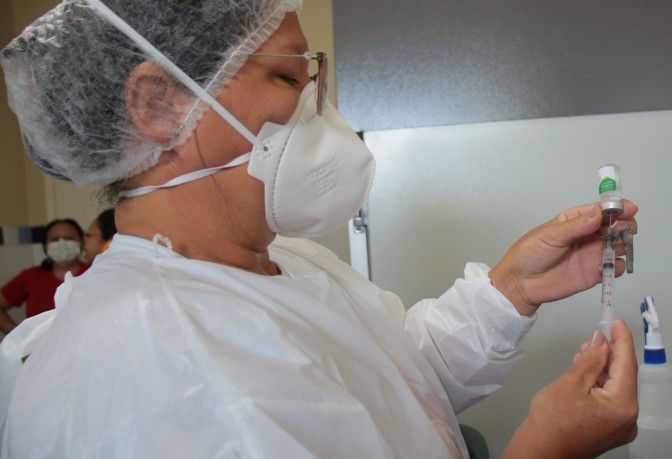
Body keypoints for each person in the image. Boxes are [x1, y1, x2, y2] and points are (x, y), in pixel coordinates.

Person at [0, 1, 639, 457]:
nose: (320, 111)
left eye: (313, 80)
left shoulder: (283, 262)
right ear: (159, 104)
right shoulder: (158, 364)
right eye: (286, 77)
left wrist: (509, 289)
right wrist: (544, 450)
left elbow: (391, 382)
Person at [0, 218, 90, 334]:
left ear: (81, 243)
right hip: (39, 350)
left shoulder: (94, 273)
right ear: (45, 246)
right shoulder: (31, 276)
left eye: (69, 238)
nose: (61, 243)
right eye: (55, 239)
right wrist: (19, 337)